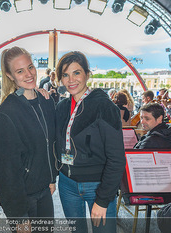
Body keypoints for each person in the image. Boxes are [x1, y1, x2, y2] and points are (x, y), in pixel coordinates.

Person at [55, 51, 126, 233]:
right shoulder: (61, 107)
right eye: (65, 74)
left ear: (87, 74)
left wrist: (102, 200)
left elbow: (117, 158)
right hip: (66, 183)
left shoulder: (104, 107)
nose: (71, 79)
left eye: (76, 72)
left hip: (97, 185)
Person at [0, 47, 57, 232]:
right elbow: (5, 170)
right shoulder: (8, 112)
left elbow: (49, 143)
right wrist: (18, 216)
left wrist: (51, 177)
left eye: (30, 67)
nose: (29, 74)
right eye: (20, 71)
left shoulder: (46, 101)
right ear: (10, 76)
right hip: (23, 196)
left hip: (44, 189)